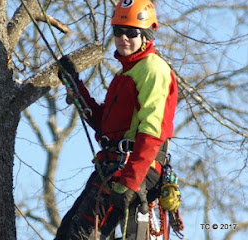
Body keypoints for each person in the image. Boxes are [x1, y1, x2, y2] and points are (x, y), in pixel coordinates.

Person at [55, 0, 178, 239]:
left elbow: (153, 131)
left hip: (133, 168)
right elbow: (105, 126)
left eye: (132, 33)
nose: (123, 38)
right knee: (68, 231)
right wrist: (75, 84)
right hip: (113, 166)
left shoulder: (153, 69)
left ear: (147, 34)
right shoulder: (126, 72)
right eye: (118, 32)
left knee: (80, 235)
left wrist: (131, 180)